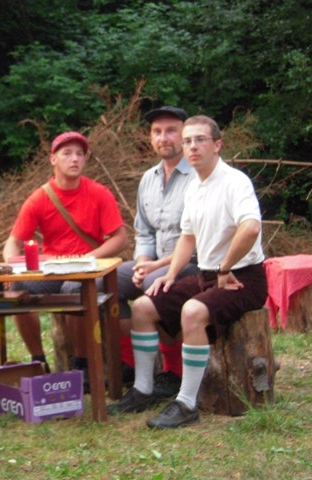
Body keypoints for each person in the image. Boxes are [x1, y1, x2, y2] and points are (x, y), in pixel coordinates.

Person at [108, 115, 268, 429]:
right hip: (208, 275)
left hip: (243, 278)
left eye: (200, 140)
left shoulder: (235, 182)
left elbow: (250, 228)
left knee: (192, 312)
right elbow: (188, 237)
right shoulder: (194, 185)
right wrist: (169, 274)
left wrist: (225, 266)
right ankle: (143, 389)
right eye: (187, 141)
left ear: (217, 145)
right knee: (143, 307)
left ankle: (186, 403)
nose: (192, 146)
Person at [2, 131, 128, 381]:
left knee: (74, 288)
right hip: (53, 269)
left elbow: (120, 238)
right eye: (67, 153)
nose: (74, 159)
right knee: (17, 289)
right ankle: (38, 361)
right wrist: (11, 267)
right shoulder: (40, 198)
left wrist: (88, 258)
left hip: (89, 267)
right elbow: (13, 241)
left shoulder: (99, 192)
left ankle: (82, 365)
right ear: (53, 159)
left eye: (80, 154)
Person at [117, 106, 198, 398]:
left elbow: (198, 241)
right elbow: (144, 232)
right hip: (155, 262)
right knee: (107, 281)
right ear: (150, 137)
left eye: (171, 131)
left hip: (193, 264)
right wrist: (141, 262)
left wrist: (153, 269)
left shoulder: (198, 176)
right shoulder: (148, 179)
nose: (164, 138)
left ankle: (173, 371)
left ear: (184, 135)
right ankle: (129, 364)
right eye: (157, 132)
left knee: (153, 284)